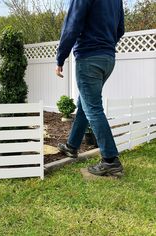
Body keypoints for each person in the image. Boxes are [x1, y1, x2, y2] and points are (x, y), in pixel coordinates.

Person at [56, 0, 125, 176]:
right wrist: (105, 45)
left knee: (93, 108)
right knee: (85, 103)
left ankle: (110, 160)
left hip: (89, 58)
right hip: (108, 58)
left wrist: (60, 58)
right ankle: (72, 146)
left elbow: (72, 25)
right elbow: (120, 29)